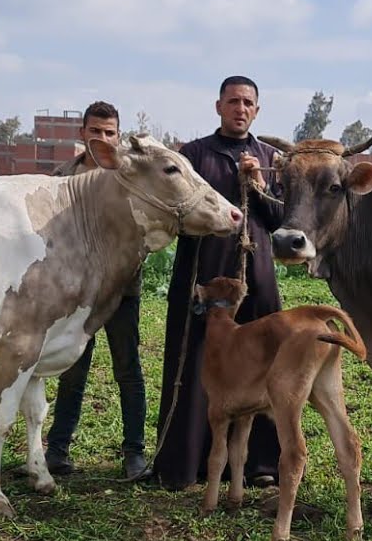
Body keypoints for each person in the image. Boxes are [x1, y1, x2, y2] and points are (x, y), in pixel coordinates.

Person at [152, 75, 286, 491]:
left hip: (256, 278)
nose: (240, 109)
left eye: (248, 103)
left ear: (257, 111)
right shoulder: (193, 155)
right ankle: (186, 463)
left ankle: (260, 464)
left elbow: (281, 220)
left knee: (263, 362)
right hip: (204, 279)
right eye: (233, 101)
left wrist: (260, 188)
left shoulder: (269, 158)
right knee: (196, 363)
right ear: (218, 107)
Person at [42, 100, 149, 480]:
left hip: (121, 290)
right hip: (74, 293)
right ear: (82, 134)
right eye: (95, 131)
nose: (101, 138)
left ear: (117, 137)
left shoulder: (130, 176)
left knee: (128, 369)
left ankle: (134, 453)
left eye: (109, 132)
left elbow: (146, 229)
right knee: (71, 367)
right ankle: (57, 449)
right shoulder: (61, 177)